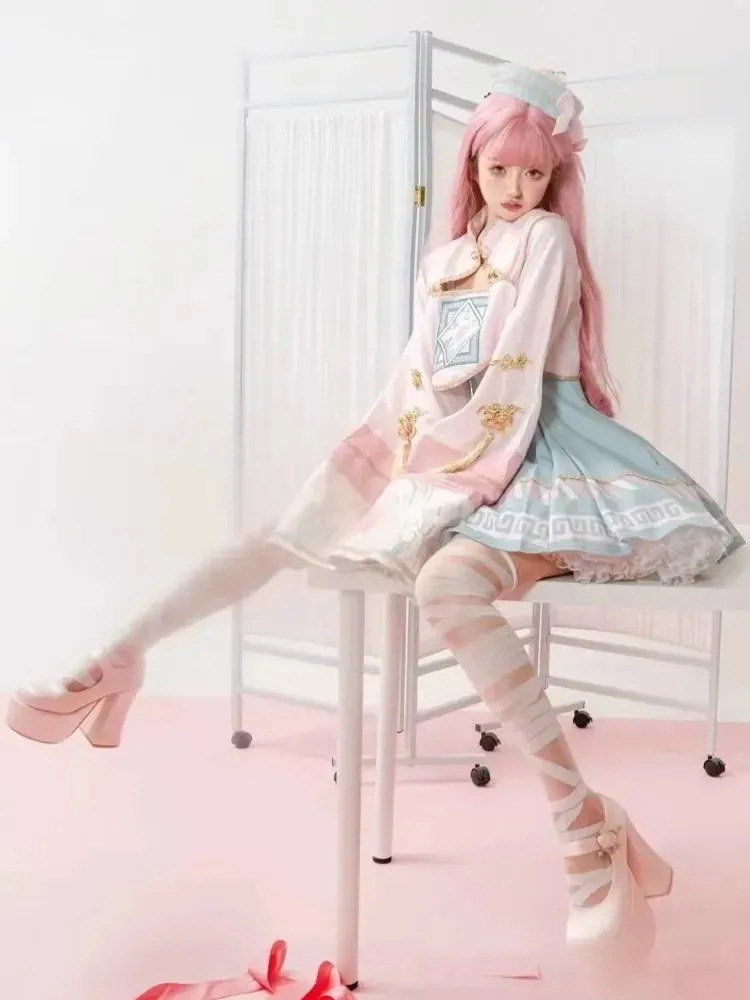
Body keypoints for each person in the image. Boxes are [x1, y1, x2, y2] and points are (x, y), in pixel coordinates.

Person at [6, 63, 744, 969]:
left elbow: (513, 384)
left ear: (555, 176)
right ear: (470, 165)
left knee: (443, 585)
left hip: (541, 455)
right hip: (461, 452)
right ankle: (119, 654)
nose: (516, 188)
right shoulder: (446, 263)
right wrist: (368, 467)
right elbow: (413, 388)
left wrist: (435, 483)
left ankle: (580, 826)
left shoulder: (547, 240)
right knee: (292, 531)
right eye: (498, 169)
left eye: (535, 172)